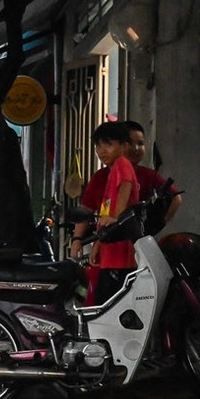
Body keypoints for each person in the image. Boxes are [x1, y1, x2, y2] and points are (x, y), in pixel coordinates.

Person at [72, 120, 140, 302]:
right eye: (98, 146)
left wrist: (117, 217)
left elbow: (126, 186)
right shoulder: (108, 173)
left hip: (121, 252)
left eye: (108, 144)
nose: (102, 151)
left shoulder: (122, 165)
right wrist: (99, 244)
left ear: (124, 145)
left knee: (109, 302)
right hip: (111, 249)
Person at [123, 121, 183, 234]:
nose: (136, 148)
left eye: (140, 143)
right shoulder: (103, 176)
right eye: (129, 143)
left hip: (137, 240)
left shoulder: (149, 175)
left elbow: (176, 198)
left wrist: (159, 224)